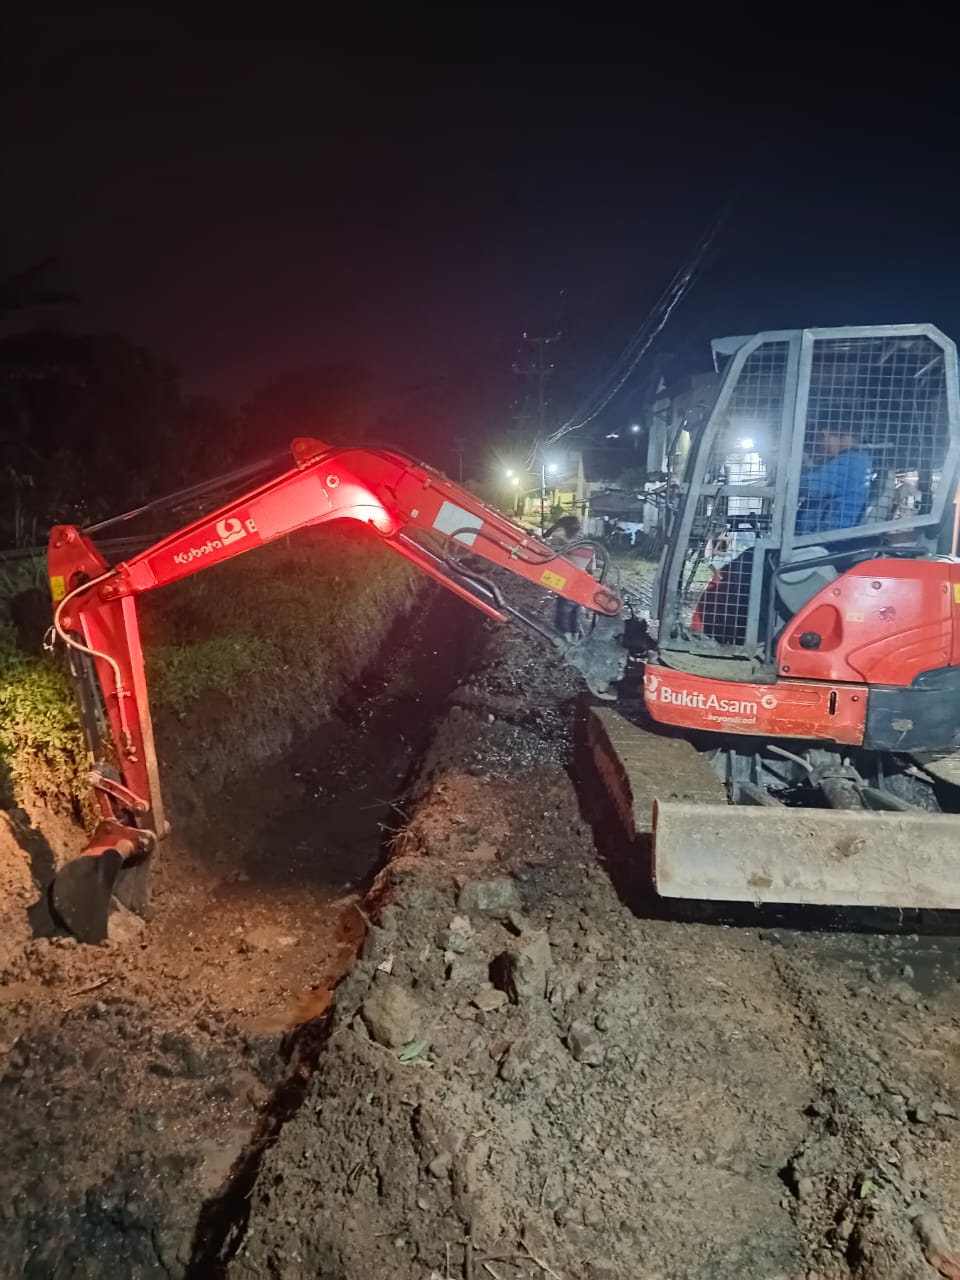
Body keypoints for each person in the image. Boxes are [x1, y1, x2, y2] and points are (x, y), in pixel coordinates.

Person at [796, 426, 872, 535]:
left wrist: (789, 472)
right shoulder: (860, 458)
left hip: (824, 539)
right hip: (827, 534)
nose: (819, 444)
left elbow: (810, 487)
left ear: (827, 434)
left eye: (820, 438)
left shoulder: (849, 462)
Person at [546, 515, 594, 641]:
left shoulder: (565, 545)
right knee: (575, 612)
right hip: (582, 583)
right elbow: (591, 569)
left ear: (566, 529)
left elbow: (553, 560)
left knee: (563, 612)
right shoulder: (589, 546)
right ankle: (575, 637)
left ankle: (565, 641)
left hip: (569, 584)